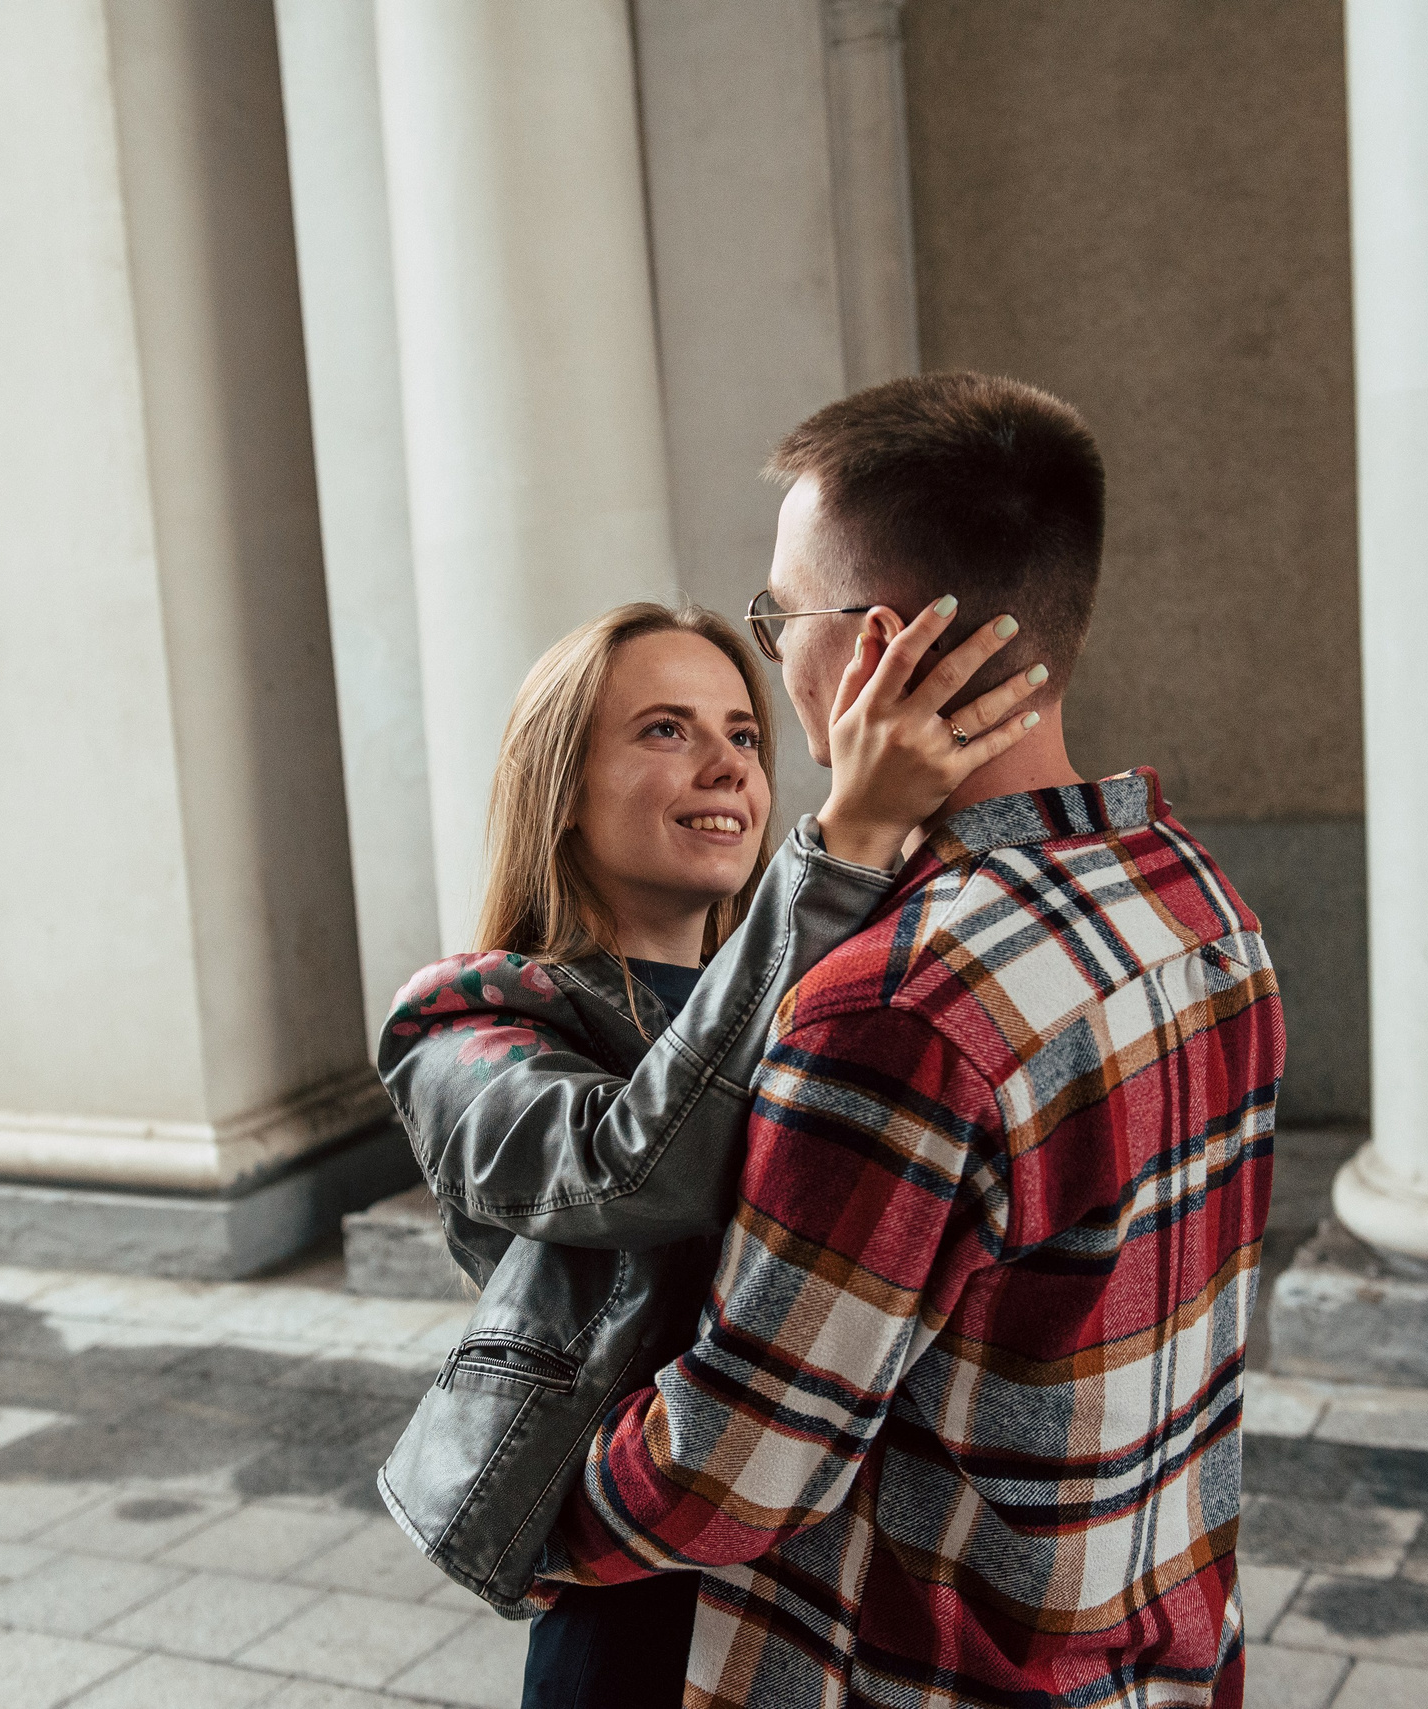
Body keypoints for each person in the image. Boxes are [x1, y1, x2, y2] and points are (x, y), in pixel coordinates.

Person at [545, 374, 1284, 1708]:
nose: (775, 659)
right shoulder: (1199, 903)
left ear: (880, 646)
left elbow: (734, 1462)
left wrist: (531, 1522)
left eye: (780, 619)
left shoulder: (898, 1006)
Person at [376, 599, 1048, 1708]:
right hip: (640, 1583)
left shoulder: (815, 988)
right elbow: (629, 1167)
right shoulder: (461, 1018)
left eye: (742, 733)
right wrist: (841, 847)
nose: (725, 765)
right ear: (560, 784)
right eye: (663, 729)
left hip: (819, 1575)